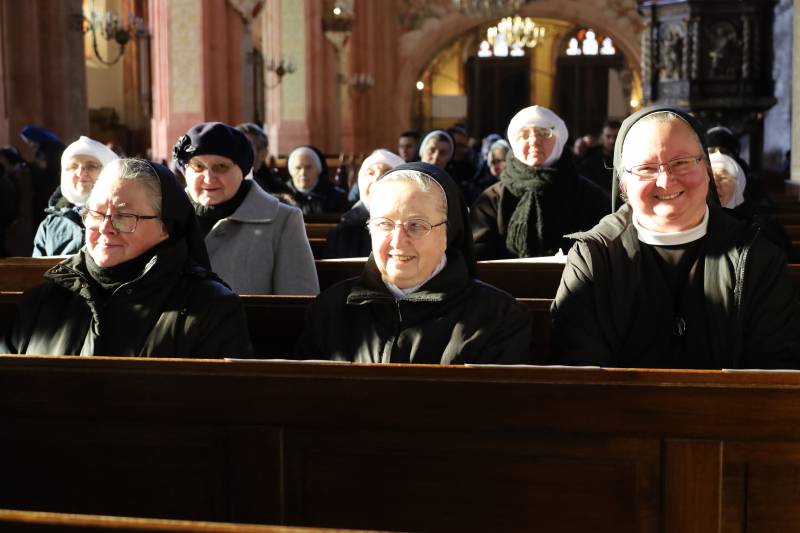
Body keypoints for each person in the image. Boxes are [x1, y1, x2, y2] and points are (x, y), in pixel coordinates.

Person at [551, 105, 800, 369]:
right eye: (646, 168)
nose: (665, 181)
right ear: (623, 183)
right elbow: (577, 371)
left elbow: (777, 368)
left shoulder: (756, 255)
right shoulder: (593, 256)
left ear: (705, 167)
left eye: (681, 163)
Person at [0, 158, 252, 357]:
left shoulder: (210, 308)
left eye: (123, 217)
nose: (105, 228)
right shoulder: (42, 301)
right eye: (96, 214)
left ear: (166, 227)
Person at [298, 162, 531, 364]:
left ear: (448, 233)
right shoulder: (329, 311)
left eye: (416, 225)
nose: (398, 241)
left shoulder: (499, 319)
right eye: (385, 224)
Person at [174, 122, 319, 295]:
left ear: (242, 171)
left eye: (221, 167)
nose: (208, 177)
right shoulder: (164, 217)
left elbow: (297, 301)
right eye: (198, 166)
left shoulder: (282, 220)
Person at [470, 105, 609, 260]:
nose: (534, 141)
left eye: (544, 133)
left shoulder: (590, 196)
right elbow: (478, 254)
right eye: (524, 135)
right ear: (514, 142)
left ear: (559, 139)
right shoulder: (492, 200)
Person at [33, 136, 118, 256]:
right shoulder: (49, 225)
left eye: (91, 166)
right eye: (73, 167)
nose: (80, 173)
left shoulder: (124, 217)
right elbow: (36, 272)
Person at [324, 148, 405, 258]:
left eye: (386, 172)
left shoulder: (413, 228)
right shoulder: (340, 234)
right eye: (370, 173)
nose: (376, 178)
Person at [711, 151, 792, 259]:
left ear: (738, 185)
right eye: (710, 180)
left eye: (722, 178)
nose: (716, 185)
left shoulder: (765, 229)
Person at [285, 145, 349, 215]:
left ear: (318, 169)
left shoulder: (337, 198)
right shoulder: (281, 197)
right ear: (290, 171)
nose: (303, 173)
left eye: (308, 167)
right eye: (298, 168)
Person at [235, 122, 288, 195]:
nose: (238, 151)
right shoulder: (229, 183)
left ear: (263, 154)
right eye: (236, 145)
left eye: (245, 146)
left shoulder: (279, 191)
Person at [578, 119, 621, 192]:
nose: (612, 141)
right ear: (602, 137)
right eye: (608, 136)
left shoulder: (628, 159)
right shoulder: (590, 161)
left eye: (616, 136)